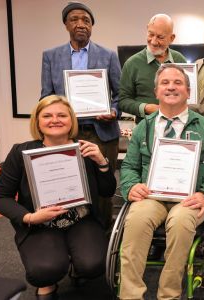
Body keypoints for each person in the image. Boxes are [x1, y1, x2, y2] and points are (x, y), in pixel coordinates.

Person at [118, 64, 204, 299]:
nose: (171, 87)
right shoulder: (144, 127)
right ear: (156, 91)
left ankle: (168, 294)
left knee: (180, 223)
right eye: (165, 83)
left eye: (178, 83)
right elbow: (129, 166)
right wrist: (130, 186)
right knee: (136, 220)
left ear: (188, 92)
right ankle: (130, 295)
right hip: (151, 196)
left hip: (189, 198)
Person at [0, 95, 116, 299]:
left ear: (71, 121)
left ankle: (77, 266)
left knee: (93, 264)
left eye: (61, 115)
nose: (55, 120)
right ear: (38, 122)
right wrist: (29, 218)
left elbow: (107, 191)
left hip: (81, 219)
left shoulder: (85, 149)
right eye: (47, 115)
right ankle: (48, 283)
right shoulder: (21, 152)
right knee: (45, 270)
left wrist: (102, 162)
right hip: (40, 223)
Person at [40, 2, 120, 229]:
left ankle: (103, 238)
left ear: (92, 26)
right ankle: (72, 232)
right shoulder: (50, 56)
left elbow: (120, 94)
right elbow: (46, 96)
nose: (81, 24)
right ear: (66, 25)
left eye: (86, 20)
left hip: (102, 133)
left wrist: (114, 111)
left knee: (104, 188)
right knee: (68, 185)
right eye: (74, 19)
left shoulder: (108, 55)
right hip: (66, 133)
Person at [119, 14, 187, 123]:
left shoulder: (180, 61)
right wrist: (145, 108)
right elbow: (123, 100)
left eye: (160, 37)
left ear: (172, 38)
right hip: (145, 129)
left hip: (178, 126)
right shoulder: (132, 64)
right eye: (151, 35)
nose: (154, 41)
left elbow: (190, 95)